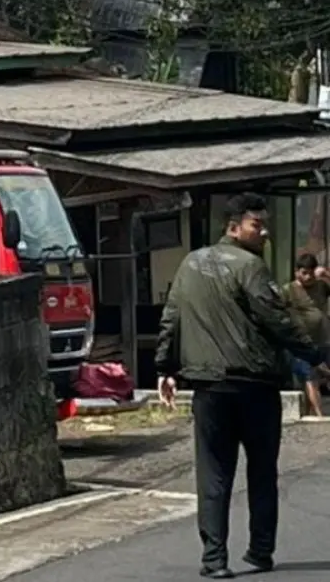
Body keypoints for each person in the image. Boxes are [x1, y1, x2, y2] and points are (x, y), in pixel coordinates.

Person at [156, 192, 322, 578]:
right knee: (261, 471)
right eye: (256, 225)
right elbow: (277, 320)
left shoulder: (190, 263)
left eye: (265, 225)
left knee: (213, 475)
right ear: (233, 227)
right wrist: (314, 356)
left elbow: (172, 316)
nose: (264, 233)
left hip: (209, 388)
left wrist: (164, 367)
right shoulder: (251, 267)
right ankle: (260, 551)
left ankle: (214, 560)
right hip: (255, 385)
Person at [281, 254, 330, 417]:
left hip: (323, 340)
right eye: (304, 273)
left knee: (320, 374)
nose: (308, 277)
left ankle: (312, 411)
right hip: (302, 342)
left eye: (311, 273)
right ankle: (320, 416)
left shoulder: (321, 286)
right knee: (310, 375)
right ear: (297, 272)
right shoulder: (288, 290)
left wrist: (326, 274)